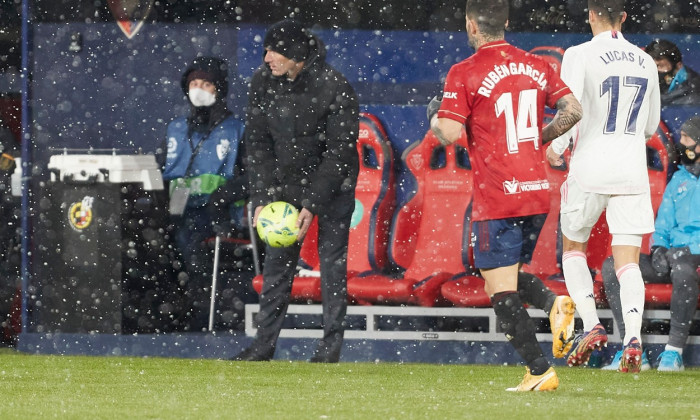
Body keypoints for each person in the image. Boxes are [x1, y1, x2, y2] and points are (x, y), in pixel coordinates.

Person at [429, 0, 582, 391]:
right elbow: (573, 110)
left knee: (500, 292)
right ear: (506, 23)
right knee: (506, 276)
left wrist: (434, 114)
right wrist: (536, 137)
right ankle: (552, 304)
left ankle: (539, 371)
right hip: (535, 193)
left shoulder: (464, 71)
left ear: (470, 25)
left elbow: (447, 132)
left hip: (497, 196)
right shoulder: (536, 64)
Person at [232, 19, 359, 363]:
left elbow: (339, 153)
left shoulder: (335, 86)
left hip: (334, 185)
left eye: (274, 51)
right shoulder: (262, 81)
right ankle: (263, 347)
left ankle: (330, 349)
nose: (267, 57)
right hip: (285, 184)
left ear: (296, 55)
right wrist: (262, 196)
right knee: (277, 265)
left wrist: (311, 202)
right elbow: (257, 142)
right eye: (266, 50)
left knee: (332, 264)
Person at [546, 0, 661, 373]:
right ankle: (633, 338)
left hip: (591, 165)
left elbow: (571, 109)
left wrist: (555, 147)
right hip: (631, 169)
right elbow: (649, 126)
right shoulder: (645, 61)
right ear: (624, 18)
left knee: (573, 247)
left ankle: (592, 324)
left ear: (591, 14)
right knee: (628, 261)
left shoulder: (578, 54)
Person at [601, 115, 700, 372]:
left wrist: (689, 250)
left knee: (683, 269)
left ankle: (673, 352)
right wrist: (658, 248)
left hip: (692, 257)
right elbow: (664, 222)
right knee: (614, 266)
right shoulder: (678, 179)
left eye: (687, 139)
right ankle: (632, 349)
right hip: (672, 254)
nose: (681, 144)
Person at [161, 56, 247, 331]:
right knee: (152, 245)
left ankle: (200, 325)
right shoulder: (175, 129)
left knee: (194, 250)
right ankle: (168, 322)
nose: (198, 89)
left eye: (206, 83)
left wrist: (220, 200)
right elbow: (161, 170)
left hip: (220, 214)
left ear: (219, 88)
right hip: (178, 212)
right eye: (193, 83)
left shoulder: (237, 130)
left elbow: (252, 177)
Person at [645, 39, 700, 106]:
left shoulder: (694, 92)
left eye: (661, 66)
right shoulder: (644, 88)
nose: (656, 70)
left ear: (678, 66)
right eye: (652, 66)